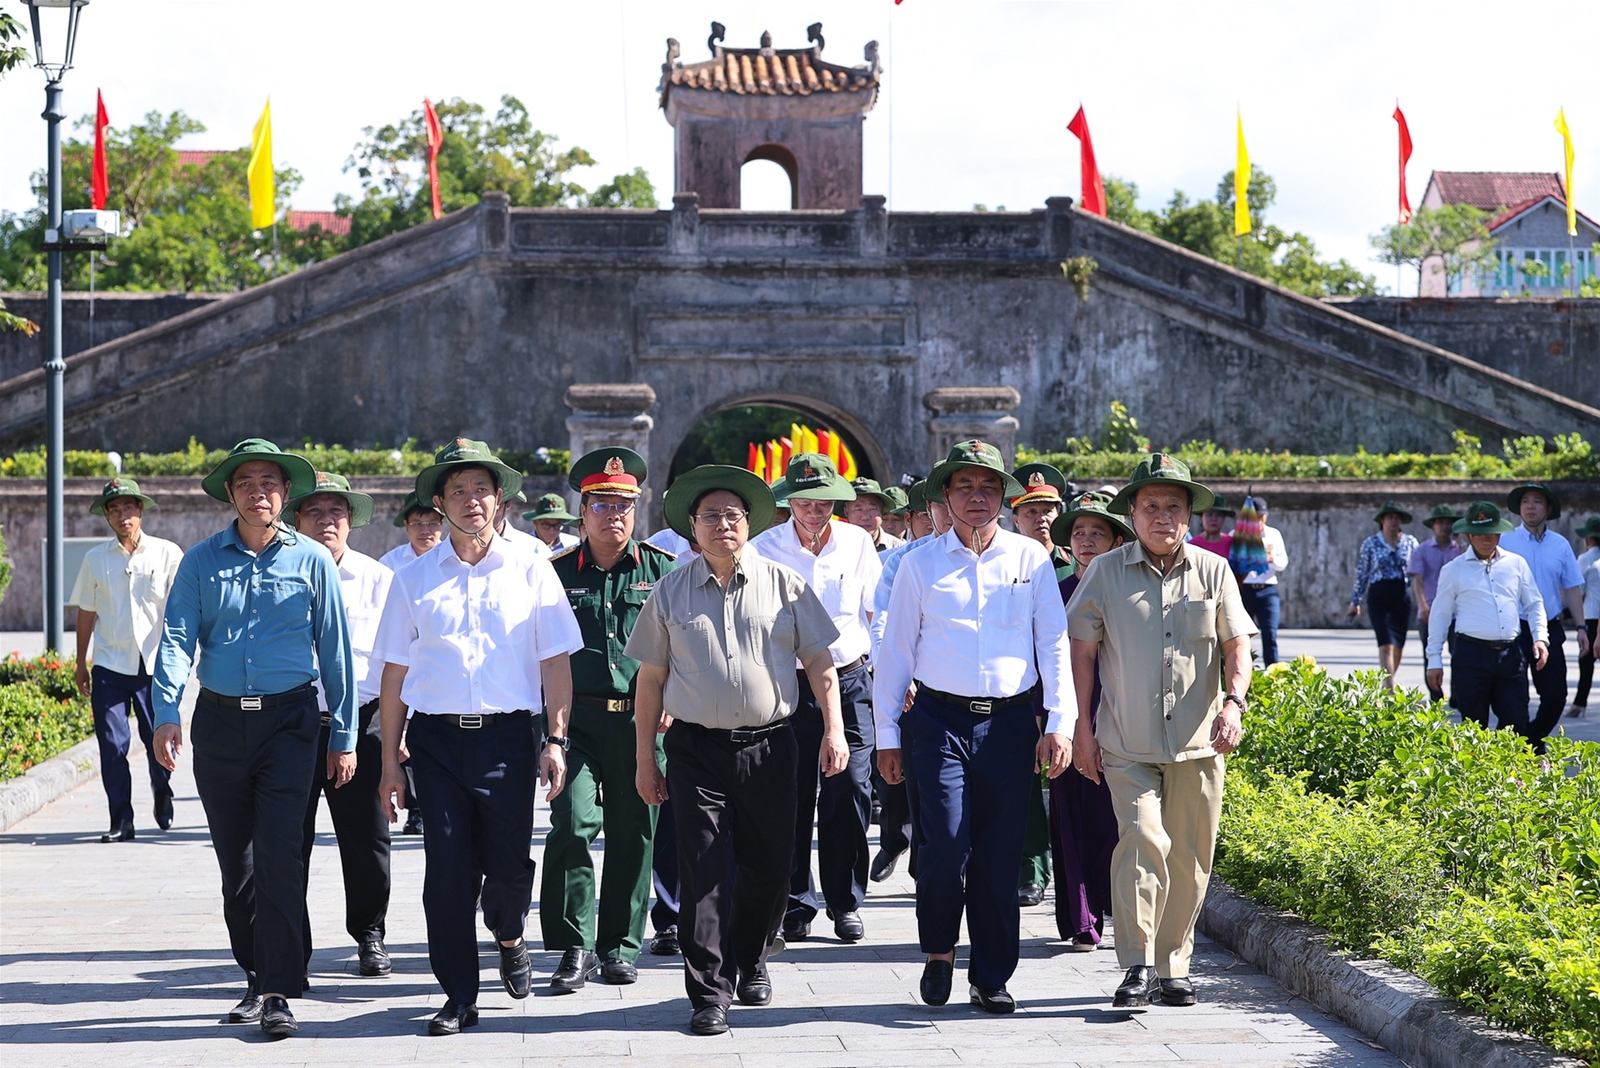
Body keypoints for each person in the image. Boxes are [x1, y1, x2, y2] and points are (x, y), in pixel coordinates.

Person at [626, 464, 848, 1036]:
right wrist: (645, 758)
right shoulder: (671, 589)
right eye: (709, 517)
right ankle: (709, 992)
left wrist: (834, 729)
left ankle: (752, 960)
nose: (721, 524)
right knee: (703, 871)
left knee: (769, 867)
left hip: (772, 745)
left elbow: (822, 664)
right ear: (692, 530)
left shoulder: (785, 583)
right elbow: (649, 679)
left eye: (732, 515)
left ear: (748, 524)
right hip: (696, 748)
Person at [372, 438, 583, 1036]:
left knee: (510, 867)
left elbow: (556, 662)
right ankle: (459, 995)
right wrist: (390, 760)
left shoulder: (530, 570)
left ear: (500, 499)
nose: (471, 501)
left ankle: (510, 931)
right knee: (447, 871)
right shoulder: (411, 579)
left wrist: (556, 740)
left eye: (482, 490)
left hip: (509, 741)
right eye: (458, 491)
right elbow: (393, 674)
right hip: (435, 744)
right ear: (438, 502)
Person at [150, 439, 356, 1039]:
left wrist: (342, 735)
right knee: (235, 865)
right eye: (247, 482)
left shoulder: (313, 561)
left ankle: (277, 989)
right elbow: (176, 639)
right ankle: (253, 971)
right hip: (218, 726)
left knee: (280, 856)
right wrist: (167, 712)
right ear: (231, 494)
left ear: (286, 496)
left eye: (271, 482)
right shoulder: (200, 561)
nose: (259, 491)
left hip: (291, 724)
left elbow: (336, 654)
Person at [874, 440, 1075, 1015]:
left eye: (989, 487)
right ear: (946, 496)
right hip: (937, 720)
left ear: (1004, 497)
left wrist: (1059, 721)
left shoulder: (1029, 559)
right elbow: (896, 651)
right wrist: (887, 734)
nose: (978, 498)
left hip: (1010, 724)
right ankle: (939, 951)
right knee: (945, 844)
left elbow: (1053, 644)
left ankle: (991, 976)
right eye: (965, 487)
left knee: (998, 853)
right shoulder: (919, 563)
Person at [1068, 453, 1254, 1010]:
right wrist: (1080, 728)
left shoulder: (1214, 571)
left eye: (1174, 506)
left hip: (1201, 741)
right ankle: (1136, 965)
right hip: (1126, 741)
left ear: (1189, 516)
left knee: (1191, 857)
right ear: (1132, 512)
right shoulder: (1105, 571)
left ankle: (1175, 968)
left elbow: (1236, 645)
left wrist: (1235, 704)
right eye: (1151, 506)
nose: (1163, 517)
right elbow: (1080, 652)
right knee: (1143, 841)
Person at [539, 448, 678, 992]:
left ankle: (619, 946)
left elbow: (683, 646)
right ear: (583, 511)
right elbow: (541, 653)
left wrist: (672, 699)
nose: (613, 515)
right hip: (576, 721)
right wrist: (549, 730)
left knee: (635, 832)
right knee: (571, 826)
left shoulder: (663, 572)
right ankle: (574, 946)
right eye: (602, 504)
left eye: (624, 505)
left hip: (641, 723)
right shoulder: (554, 575)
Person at [752, 454, 882, 945]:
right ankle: (795, 903)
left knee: (850, 790)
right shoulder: (765, 548)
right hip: (788, 685)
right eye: (804, 500)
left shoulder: (855, 543)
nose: (814, 510)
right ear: (790, 500)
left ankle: (846, 901)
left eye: (823, 500)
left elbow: (875, 610)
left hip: (849, 680)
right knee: (790, 796)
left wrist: (889, 672)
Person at [288, 472, 395, 980]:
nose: (327, 521)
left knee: (366, 837)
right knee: (287, 837)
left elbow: (399, 658)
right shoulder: (282, 574)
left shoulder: (378, 579)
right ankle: (292, 946)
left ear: (351, 521)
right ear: (297, 521)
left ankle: (370, 934)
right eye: (315, 513)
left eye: (337, 512)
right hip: (293, 721)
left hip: (363, 719)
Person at [69, 477, 183, 842]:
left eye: (129, 508)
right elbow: (86, 612)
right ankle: (121, 819)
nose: (123, 515)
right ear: (106, 515)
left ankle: (162, 790)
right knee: (112, 744)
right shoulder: (95, 559)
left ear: (141, 510)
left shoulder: (167, 554)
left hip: (154, 666)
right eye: (115, 509)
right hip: (109, 665)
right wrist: (80, 662)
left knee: (158, 740)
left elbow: (182, 609)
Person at [1046, 491, 1130, 950]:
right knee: (1070, 815)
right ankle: (1082, 917)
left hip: (1120, 714)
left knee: (1114, 817)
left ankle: (1115, 902)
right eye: (1079, 532)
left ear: (1118, 540)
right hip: (1068, 714)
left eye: (1098, 532)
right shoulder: (1053, 593)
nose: (1087, 540)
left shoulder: (1128, 593)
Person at [867, 479, 953, 884]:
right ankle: (907, 849)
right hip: (918, 695)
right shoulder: (905, 561)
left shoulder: (1010, 557)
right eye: (935, 506)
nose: (947, 514)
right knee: (913, 786)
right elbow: (883, 622)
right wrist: (904, 676)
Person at [1006, 461, 1073, 908]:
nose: (1041, 518)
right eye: (1031, 511)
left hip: (1068, 687)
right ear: (1015, 517)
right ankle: (1031, 869)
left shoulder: (1074, 565)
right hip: (1021, 690)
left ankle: (1073, 873)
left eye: (1048, 509)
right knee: (1026, 782)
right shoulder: (1006, 563)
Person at [1425, 501, 1548, 737]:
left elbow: (1534, 603)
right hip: (1471, 655)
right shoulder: (1453, 569)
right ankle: (1478, 773)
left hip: (1511, 655)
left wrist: (1540, 638)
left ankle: (1509, 773)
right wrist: (1434, 659)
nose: (1487, 540)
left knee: (1516, 722)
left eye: (1491, 533)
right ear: (1470, 534)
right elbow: (1440, 615)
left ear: (1499, 532)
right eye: (1480, 534)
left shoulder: (1516, 564)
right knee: (1474, 726)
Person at [1501, 483, 1590, 749]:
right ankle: (1519, 748)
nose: (1530, 506)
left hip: (1549, 628)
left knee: (1555, 696)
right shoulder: (1505, 541)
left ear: (1548, 509)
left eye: (1537, 501)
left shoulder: (1560, 545)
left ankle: (1533, 738)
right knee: (1514, 697)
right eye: (1525, 501)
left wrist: (1582, 628)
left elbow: (1572, 589)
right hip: (1512, 629)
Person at [1346, 501, 1420, 689]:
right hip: (1379, 594)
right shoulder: (1371, 543)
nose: (1393, 521)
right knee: (1386, 643)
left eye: (1397, 517)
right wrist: (1356, 600)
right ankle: (1389, 690)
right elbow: (1362, 573)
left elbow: (1418, 571)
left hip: (1402, 595)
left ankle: (1384, 683)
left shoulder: (1410, 542)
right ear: (1382, 520)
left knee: (1398, 646)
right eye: (1390, 517)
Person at [1409, 505, 1465, 703]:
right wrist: (1422, 605)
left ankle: (1457, 694)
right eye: (1440, 522)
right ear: (1433, 525)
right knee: (1431, 654)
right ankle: (1435, 694)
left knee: (1459, 655)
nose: (1444, 526)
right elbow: (1417, 579)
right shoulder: (1422, 550)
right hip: (1431, 608)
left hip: (1457, 611)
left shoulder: (1460, 550)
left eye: (1447, 522)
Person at [1233, 496, 1287, 665]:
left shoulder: (1273, 534)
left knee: (1270, 633)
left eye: (1262, 516)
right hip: (1245, 589)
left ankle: (1273, 671)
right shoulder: (1236, 535)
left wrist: (1271, 559)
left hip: (1268, 588)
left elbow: (1283, 563)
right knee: (1241, 635)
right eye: (1255, 516)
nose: (1259, 520)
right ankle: (1245, 670)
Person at [1571, 517, 1600, 718]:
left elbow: (1578, 590)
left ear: (1588, 538)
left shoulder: (1585, 559)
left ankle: (1579, 703)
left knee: (1586, 663)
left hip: (1590, 616)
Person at [379, 491, 443, 572]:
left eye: (432, 523)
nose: (425, 531)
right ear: (406, 525)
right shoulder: (390, 562)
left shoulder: (455, 558)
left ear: (441, 524)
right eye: (418, 524)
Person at [842, 477, 905, 552]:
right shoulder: (835, 548)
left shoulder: (899, 550)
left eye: (872, 509)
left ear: (881, 511)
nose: (865, 517)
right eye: (858, 509)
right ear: (846, 512)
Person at [1186, 494, 1234, 558]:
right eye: (1209, 514)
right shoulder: (1191, 546)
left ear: (1224, 518)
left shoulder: (1233, 545)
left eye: (1219, 515)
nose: (1214, 519)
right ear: (1201, 517)